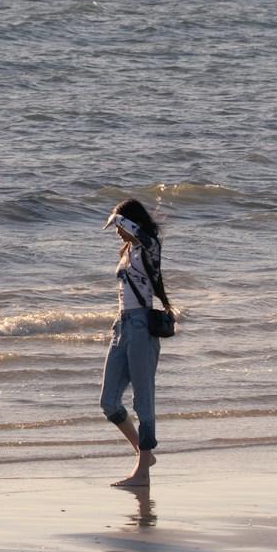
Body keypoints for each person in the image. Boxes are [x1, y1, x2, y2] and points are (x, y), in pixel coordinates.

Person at [99, 197, 172, 487]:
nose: (116, 231)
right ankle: (144, 453)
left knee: (143, 401)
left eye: (118, 224)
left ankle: (142, 473)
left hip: (142, 327)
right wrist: (117, 222)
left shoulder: (150, 247)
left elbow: (145, 235)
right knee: (109, 402)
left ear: (130, 222)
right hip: (122, 326)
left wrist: (118, 217)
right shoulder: (128, 250)